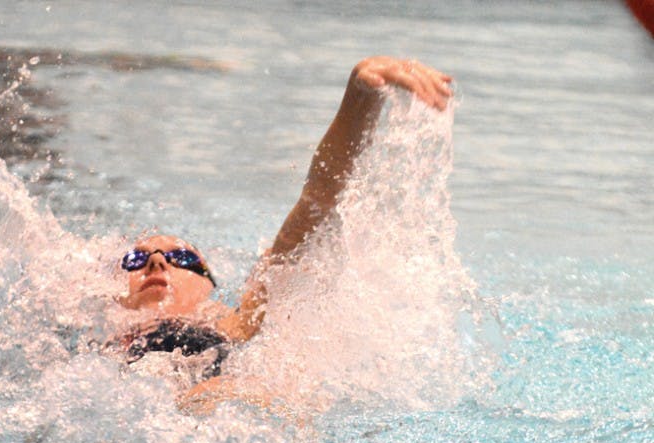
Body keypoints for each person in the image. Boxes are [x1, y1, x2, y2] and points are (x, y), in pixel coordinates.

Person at [114, 56, 454, 415]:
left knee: (260, 392)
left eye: (181, 258)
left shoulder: (234, 321)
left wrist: (360, 96)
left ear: (209, 286)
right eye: (135, 259)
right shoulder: (87, 327)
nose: (155, 262)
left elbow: (318, 201)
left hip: (215, 408)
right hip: (126, 413)